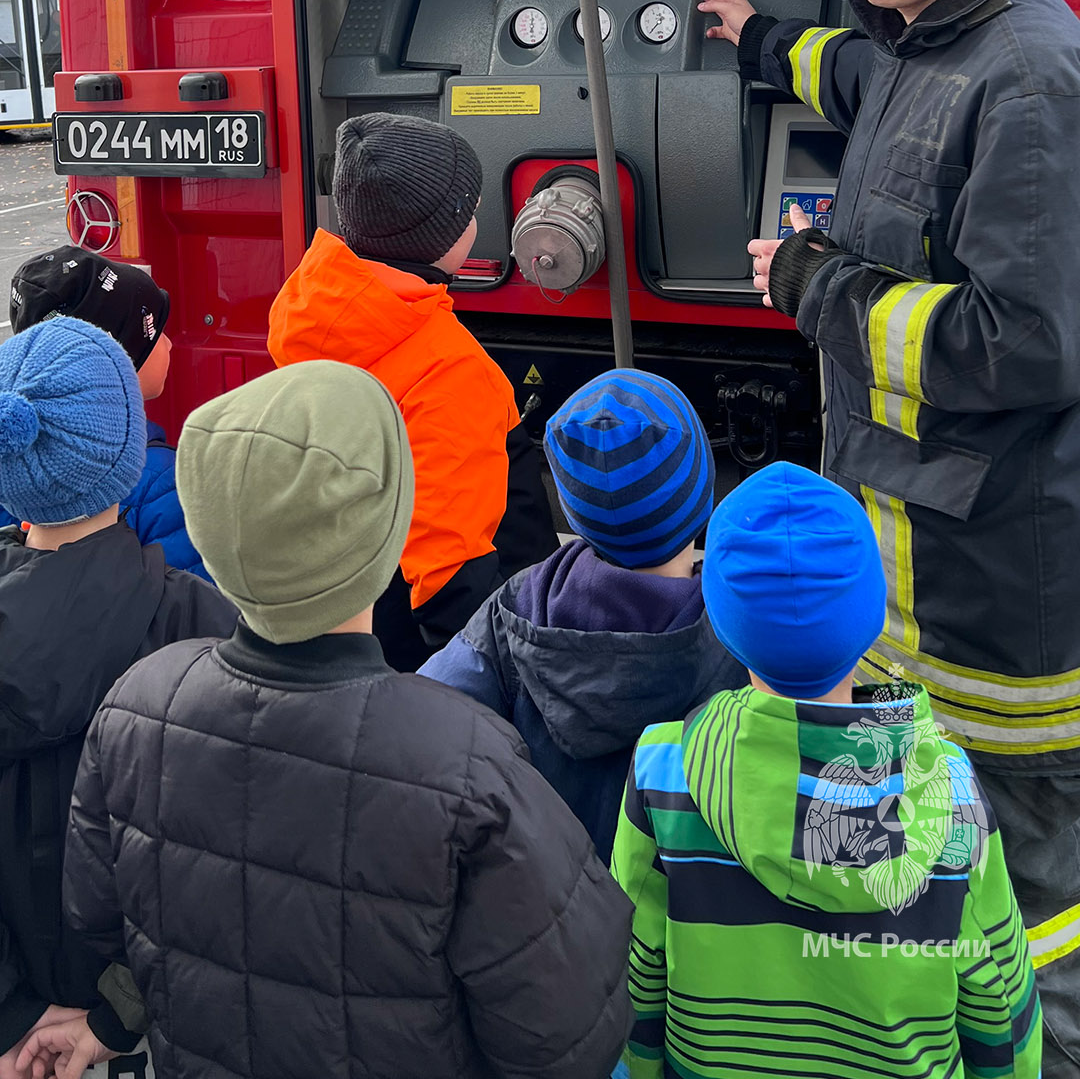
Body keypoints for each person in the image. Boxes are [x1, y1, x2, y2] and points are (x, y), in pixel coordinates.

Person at [698, 0, 1080, 1072]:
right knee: (899, 857)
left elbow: (1023, 346)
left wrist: (816, 288)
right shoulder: (926, 37)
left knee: (1025, 899)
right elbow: (858, 75)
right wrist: (761, 41)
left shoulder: (1030, 83)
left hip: (992, 600)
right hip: (905, 570)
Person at [33, 360, 633, 1079]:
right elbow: (568, 1032)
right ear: (386, 531)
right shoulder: (470, 764)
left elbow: (101, 918)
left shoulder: (136, 707)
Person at [613, 460, 1041, 1079]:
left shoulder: (663, 771)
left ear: (726, 622)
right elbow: (997, 999)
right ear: (870, 614)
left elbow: (635, 968)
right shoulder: (945, 787)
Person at [0, 318, 236, 1079]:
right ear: (130, 451)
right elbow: (219, 850)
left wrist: (12, 1011)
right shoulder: (201, 625)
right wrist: (117, 1009)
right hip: (145, 1017)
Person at [268, 112, 556, 669]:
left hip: (366, 627)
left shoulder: (311, 310)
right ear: (447, 233)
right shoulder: (448, 367)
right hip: (464, 649)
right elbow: (454, 581)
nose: (476, 214)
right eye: (469, 206)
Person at [421, 367, 742, 861]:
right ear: (702, 498)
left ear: (572, 510)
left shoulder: (513, 610)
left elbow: (423, 729)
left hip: (545, 904)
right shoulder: (737, 632)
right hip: (679, 921)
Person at [7, 246, 208, 578]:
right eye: (156, 332)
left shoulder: (15, 460)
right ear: (117, 357)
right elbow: (199, 607)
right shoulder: (164, 481)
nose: (169, 343)